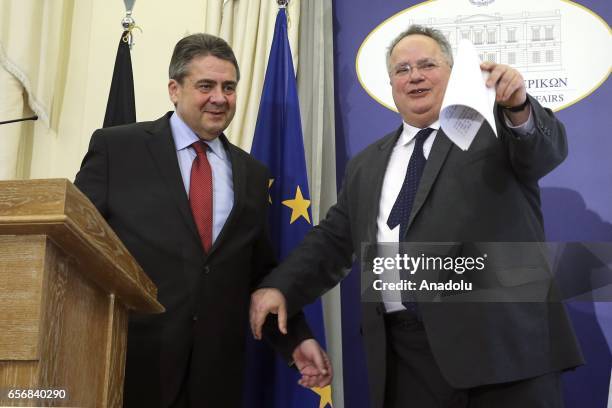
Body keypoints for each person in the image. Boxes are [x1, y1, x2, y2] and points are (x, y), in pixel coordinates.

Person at [250, 25, 583, 408]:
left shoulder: (494, 130)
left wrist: (518, 107)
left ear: (454, 73)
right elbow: (333, 241)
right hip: (406, 361)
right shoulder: (365, 164)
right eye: (402, 69)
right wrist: (282, 287)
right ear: (391, 84)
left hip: (503, 358)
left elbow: (543, 151)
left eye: (427, 65)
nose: (415, 76)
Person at [74, 33, 331, 408]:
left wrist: (295, 340)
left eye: (229, 87)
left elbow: (258, 273)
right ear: (174, 89)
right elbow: (80, 243)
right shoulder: (117, 149)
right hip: (128, 363)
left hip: (216, 376)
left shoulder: (253, 174)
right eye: (206, 85)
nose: (219, 98)